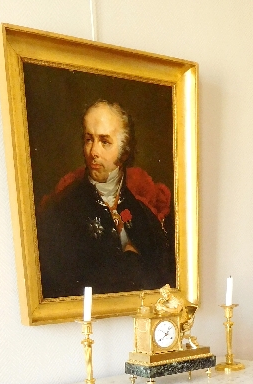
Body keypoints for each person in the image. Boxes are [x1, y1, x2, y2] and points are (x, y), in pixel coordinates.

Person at [36, 100, 175, 298]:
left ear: (125, 150)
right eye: (88, 140)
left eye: (105, 142)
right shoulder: (60, 212)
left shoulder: (144, 216)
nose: (94, 152)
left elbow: (162, 285)